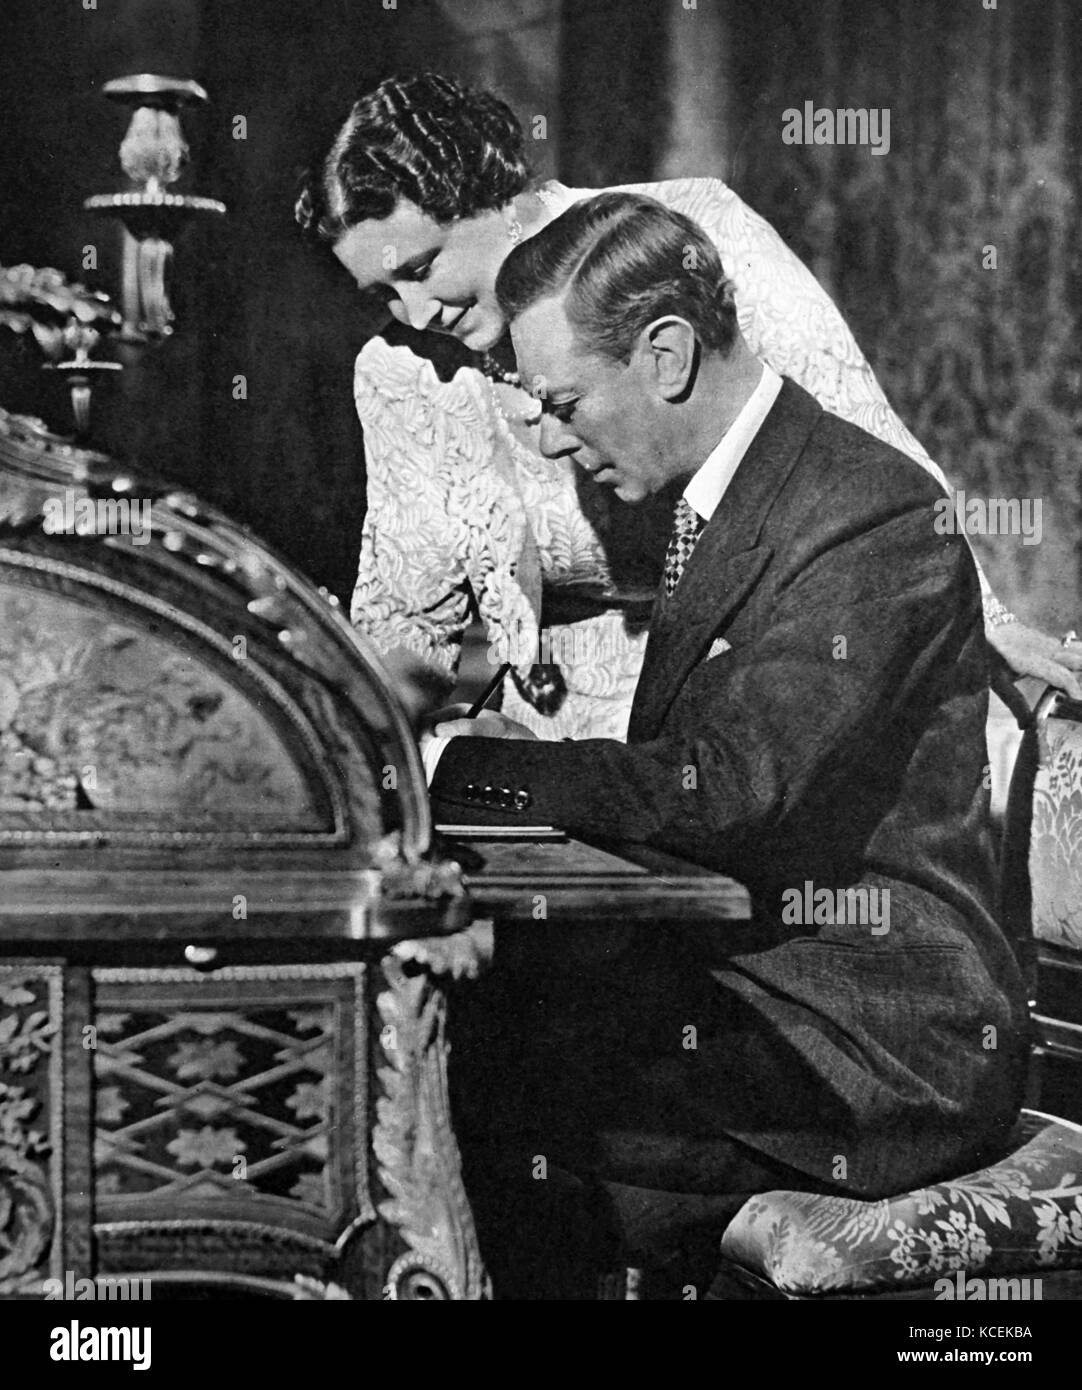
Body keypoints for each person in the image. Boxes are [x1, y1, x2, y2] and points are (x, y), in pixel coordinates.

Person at [423, 191, 1030, 1296]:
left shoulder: (867, 511)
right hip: (769, 988)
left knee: (492, 1097)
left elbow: (728, 788)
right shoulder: (740, 493)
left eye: (562, 402)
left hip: (879, 1042)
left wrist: (465, 767)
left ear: (663, 355)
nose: (551, 437)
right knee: (460, 1040)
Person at [294, 71, 1082, 746]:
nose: (416, 313)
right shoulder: (399, 371)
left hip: (750, 706)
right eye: (382, 294)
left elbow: (865, 448)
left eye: (423, 267)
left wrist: (980, 616)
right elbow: (408, 618)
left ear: (490, 197)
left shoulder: (686, 234)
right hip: (548, 750)